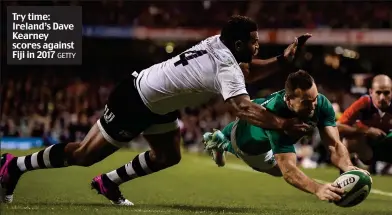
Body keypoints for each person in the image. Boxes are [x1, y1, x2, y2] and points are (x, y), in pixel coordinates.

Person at [0, 15, 311, 205]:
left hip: (158, 102)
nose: (258, 47)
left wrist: (283, 61)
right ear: (239, 44)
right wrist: (282, 125)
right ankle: (15, 166)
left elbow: (245, 72)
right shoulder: (226, 65)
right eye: (254, 42)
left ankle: (108, 182)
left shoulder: (220, 42)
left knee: (168, 156)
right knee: (83, 155)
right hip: (135, 100)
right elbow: (243, 107)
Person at [203, 70, 366, 202]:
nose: (312, 107)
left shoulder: (321, 104)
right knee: (277, 171)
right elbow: (288, 170)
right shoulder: (278, 117)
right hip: (246, 142)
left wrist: (348, 167)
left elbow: (335, 144)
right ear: (288, 100)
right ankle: (223, 143)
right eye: (306, 103)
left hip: (255, 111)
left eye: (314, 99)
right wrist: (318, 189)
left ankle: (218, 138)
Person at [337, 74, 392, 170]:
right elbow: (338, 126)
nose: (382, 97)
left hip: (388, 147)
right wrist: (367, 130)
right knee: (347, 142)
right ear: (371, 92)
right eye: (378, 93)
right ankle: (347, 175)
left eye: (386, 93)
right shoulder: (364, 103)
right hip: (367, 146)